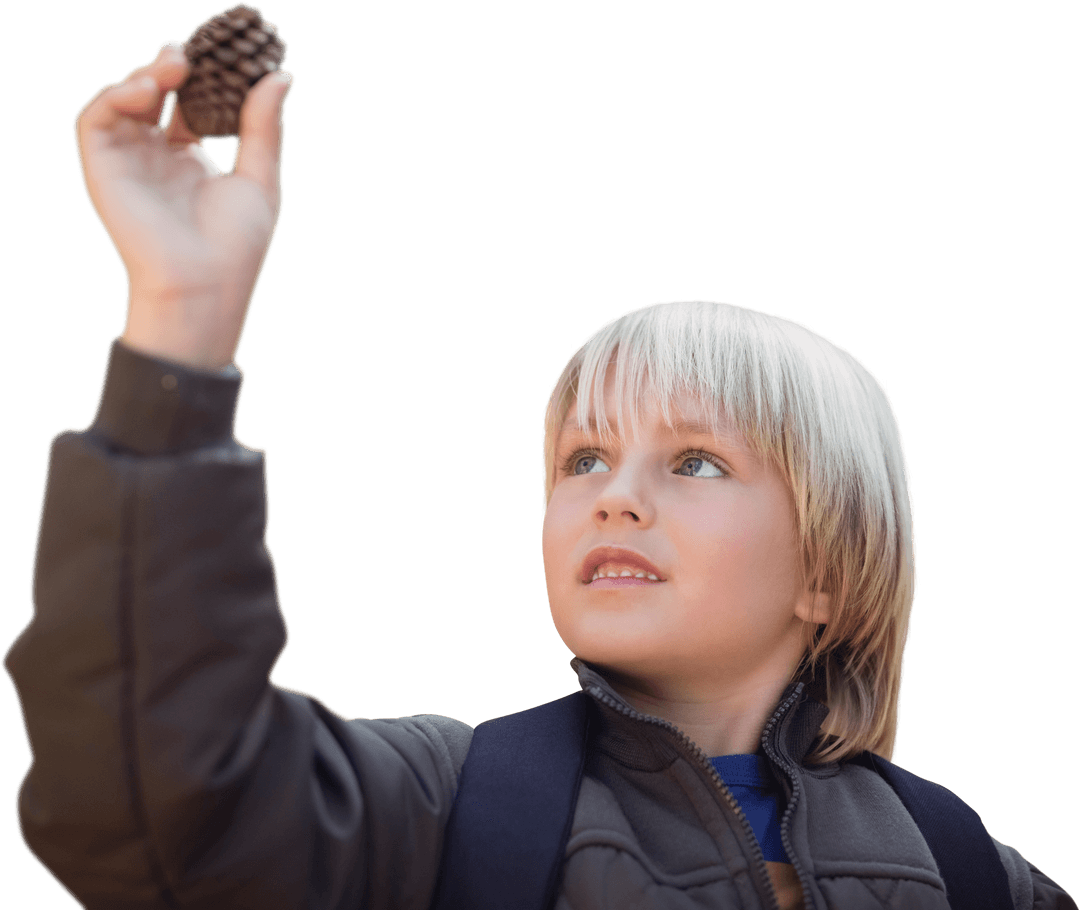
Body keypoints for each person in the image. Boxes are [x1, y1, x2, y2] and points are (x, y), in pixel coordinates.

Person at [3, 39, 1074, 910]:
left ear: (829, 571)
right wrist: (183, 325)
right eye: (584, 457)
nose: (614, 493)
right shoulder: (431, 811)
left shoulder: (973, 873)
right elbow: (147, 791)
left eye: (696, 460)